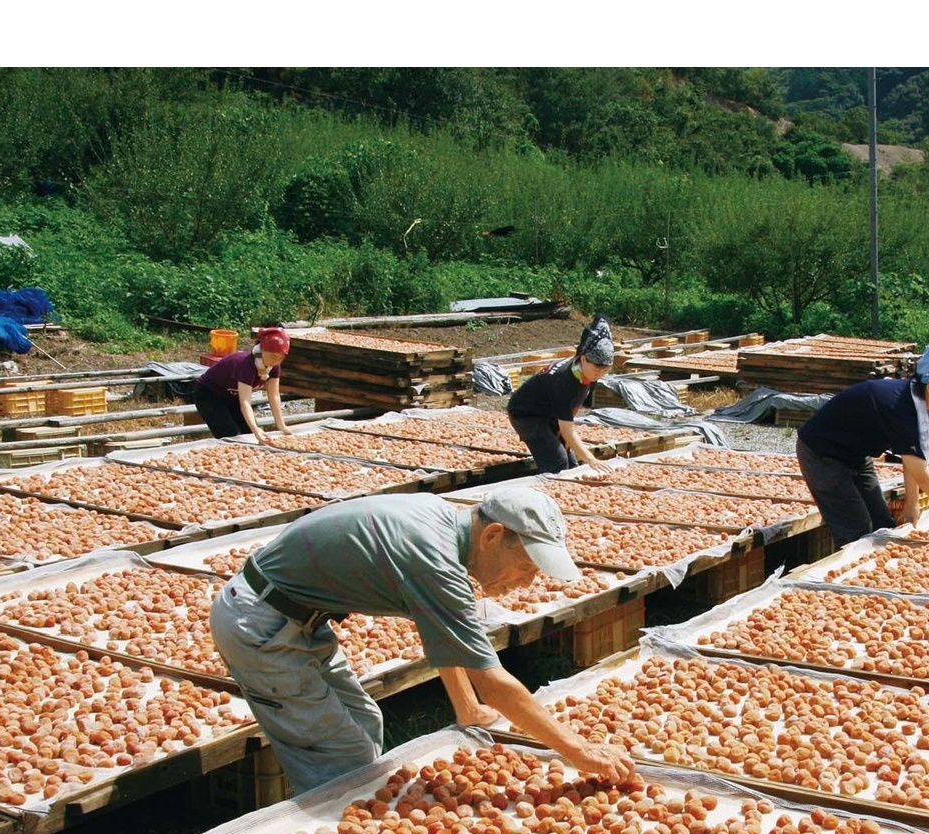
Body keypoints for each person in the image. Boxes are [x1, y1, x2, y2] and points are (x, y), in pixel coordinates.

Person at [209, 486, 639, 796]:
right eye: (526, 567)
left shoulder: (446, 523)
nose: (527, 582)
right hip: (261, 623)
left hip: (296, 616)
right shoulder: (434, 562)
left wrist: (467, 708)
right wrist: (578, 750)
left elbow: (441, 633)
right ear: (492, 536)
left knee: (365, 723)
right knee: (339, 754)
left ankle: (335, 799)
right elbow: (493, 682)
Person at [796, 334, 929, 546]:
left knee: (882, 523)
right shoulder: (900, 408)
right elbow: (923, 475)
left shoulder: (920, 404)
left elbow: (913, 458)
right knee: (856, 529)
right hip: (822, 454)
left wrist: (912, 503)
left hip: (855, 456)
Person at [507, 314, 617, 475]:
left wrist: (566, 439)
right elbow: (568, 431)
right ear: (584, 359)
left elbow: (573, 408)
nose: (599, 374)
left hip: (549, 411)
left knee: (571, 463)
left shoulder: (585, 373)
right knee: (557, 462)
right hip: (526, 415)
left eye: (605, 370)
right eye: (596, 369)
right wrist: (591, 459)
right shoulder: (564, 381)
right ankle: (550, 488)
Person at [193, 326, 294, 444]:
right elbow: (245, 402)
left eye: (281, 358)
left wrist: (281, 425)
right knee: (232, 435)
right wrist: (256, 429)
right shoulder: (246, 365)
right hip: (209, 394)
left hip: (232, 395)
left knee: (249, 434)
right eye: (273, 356)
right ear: (263, 350)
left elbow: (274, 395)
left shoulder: (274, 367)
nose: (276, 361)